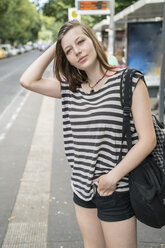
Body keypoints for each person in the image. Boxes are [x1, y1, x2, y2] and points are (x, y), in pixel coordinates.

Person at [20, 20, 156, 248]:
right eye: (69, 51)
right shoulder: (71, 89)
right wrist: (56, 46)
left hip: (116, 189)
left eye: (81, 41)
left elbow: (147, 139)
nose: (77, 51)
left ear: (93, 39)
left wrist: (112, 177)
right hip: (82, 190)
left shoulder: (129, 81)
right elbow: (28, 80)